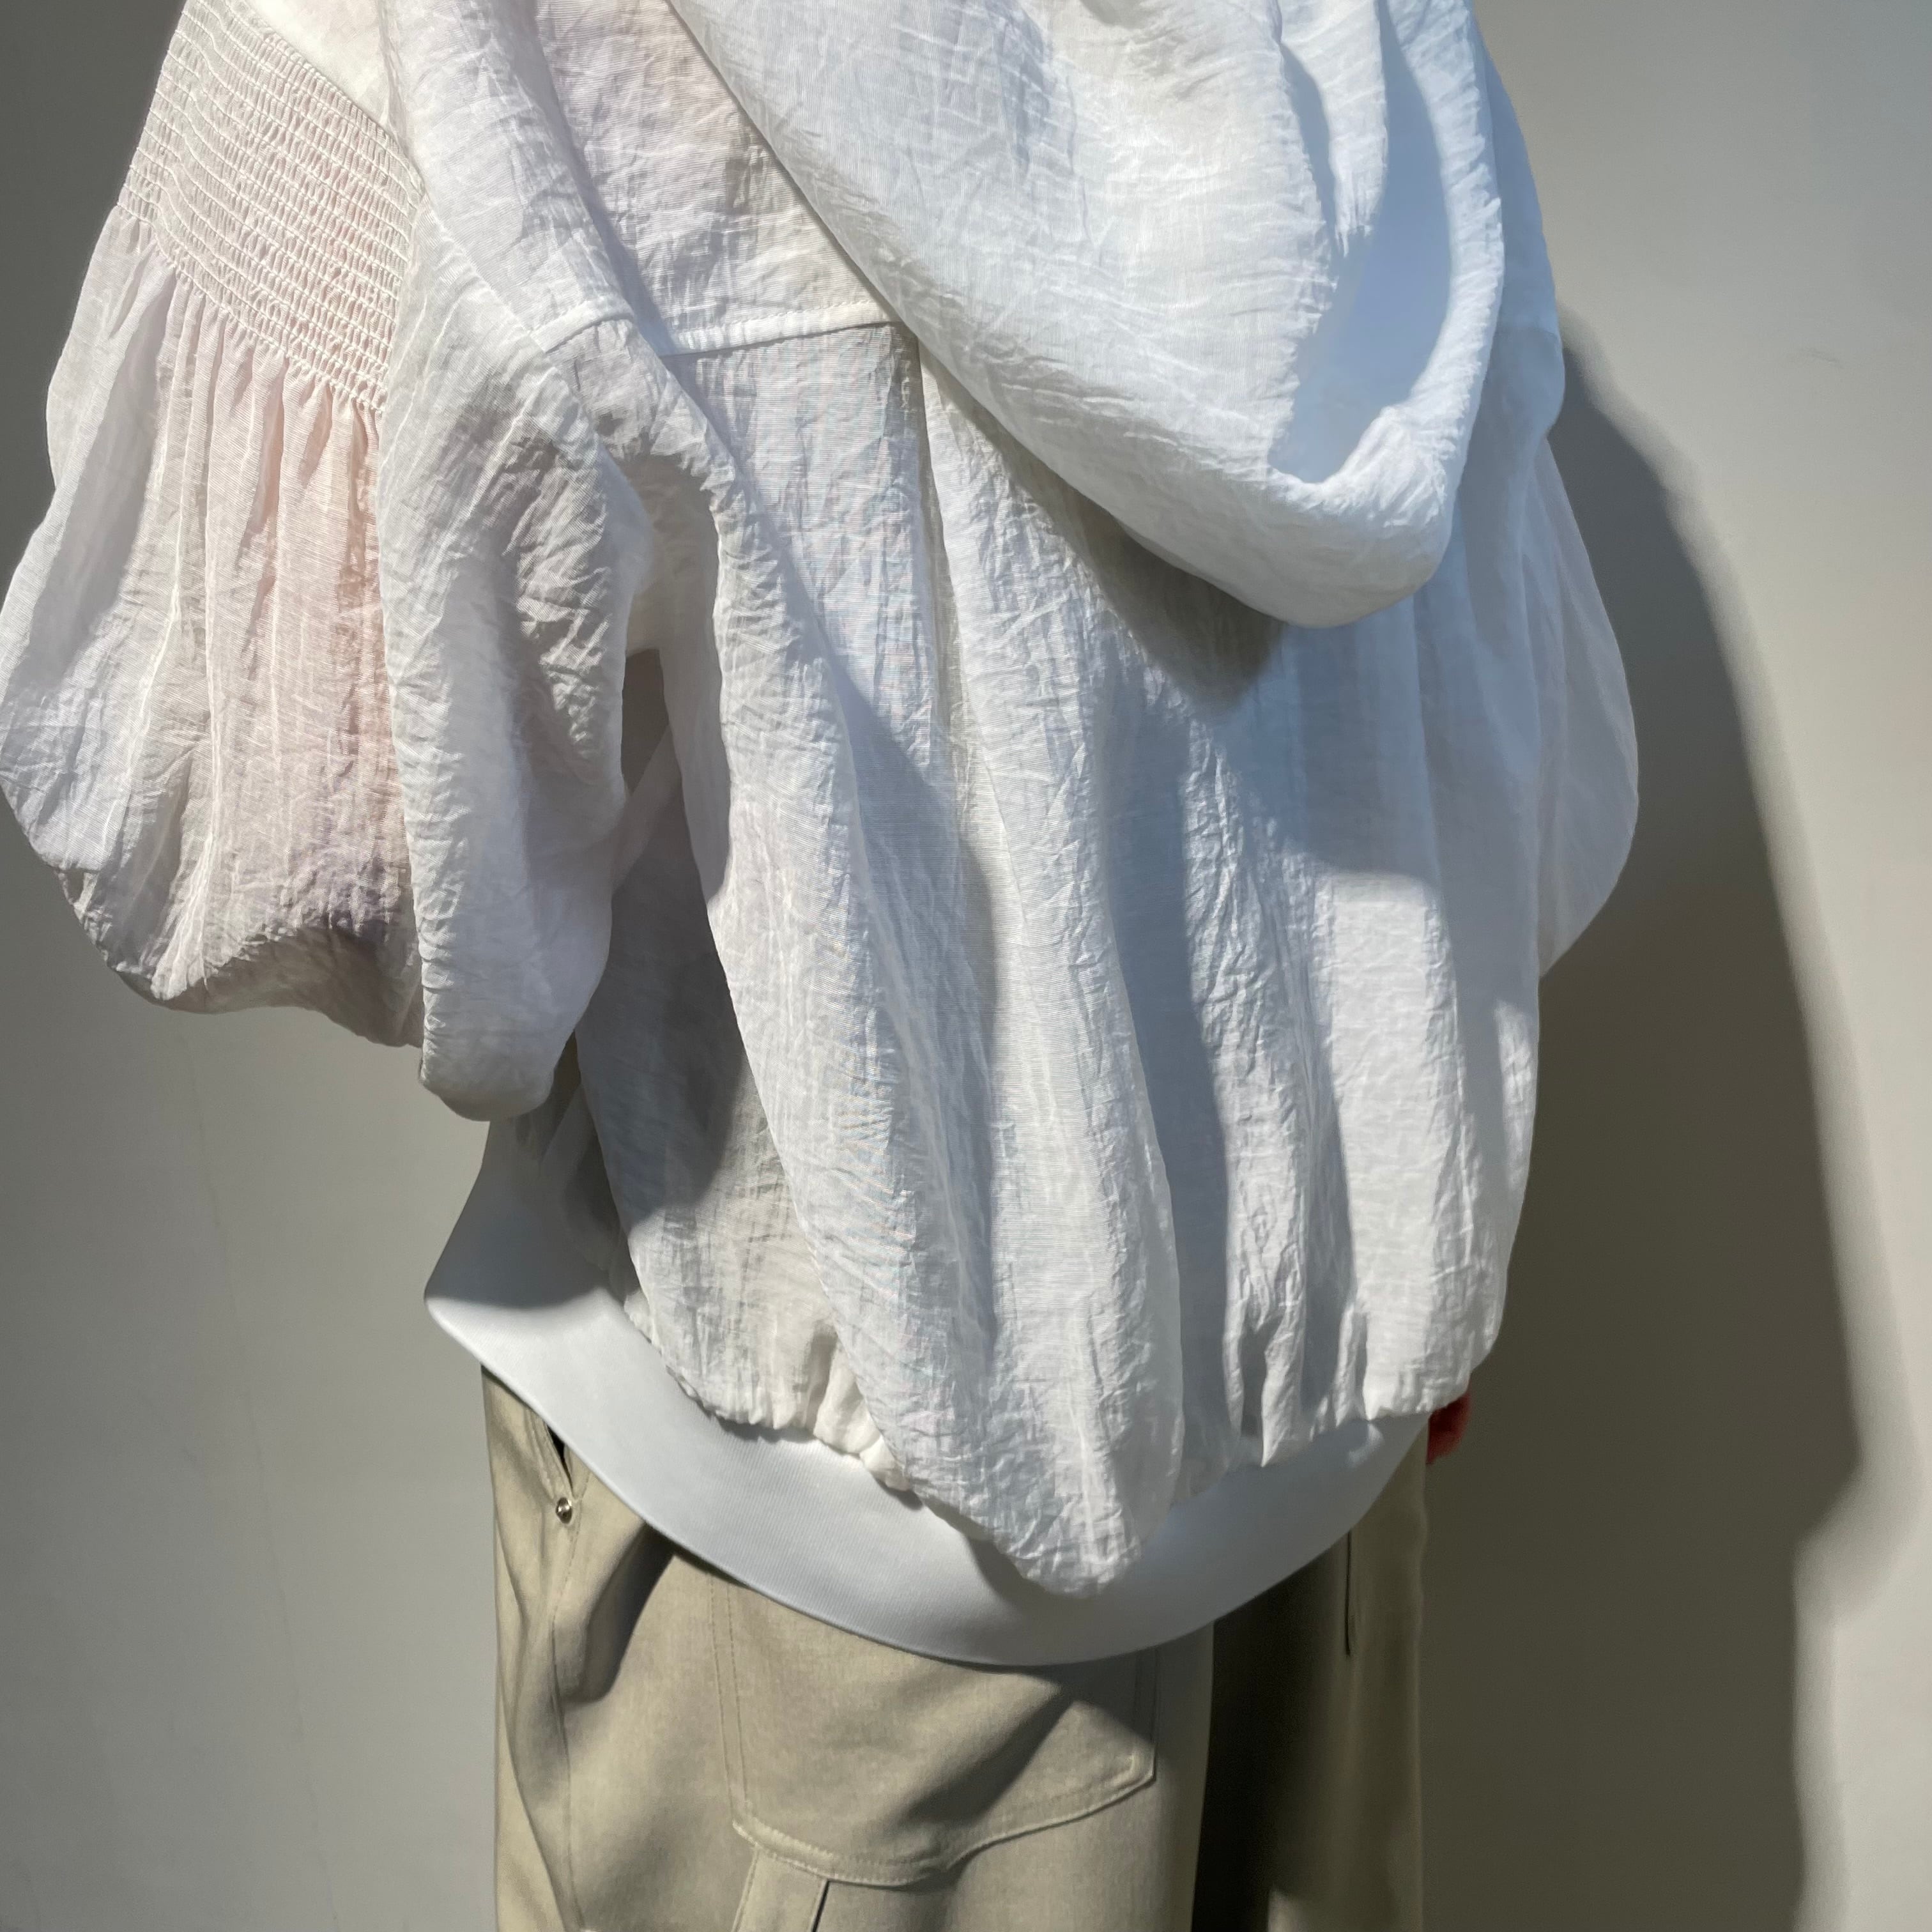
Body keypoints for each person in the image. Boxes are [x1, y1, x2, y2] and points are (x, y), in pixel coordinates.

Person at [0, 1, 1637, 1926]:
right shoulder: (1358, 32)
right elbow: (1513, 731)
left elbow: (294, 847)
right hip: (1330, 1487)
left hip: (825, 1606)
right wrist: (1362, 1251)